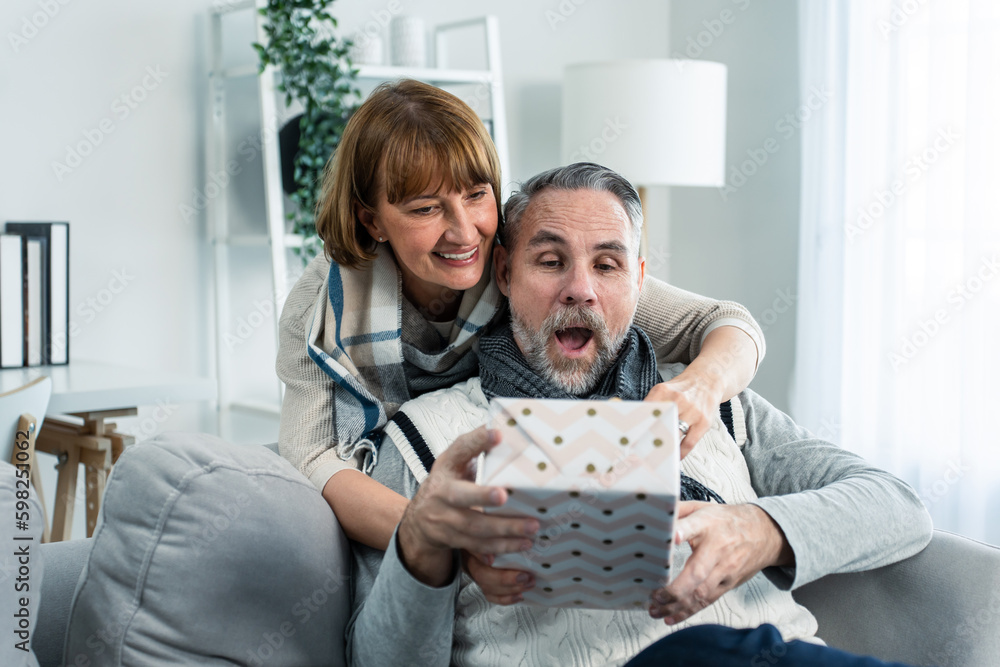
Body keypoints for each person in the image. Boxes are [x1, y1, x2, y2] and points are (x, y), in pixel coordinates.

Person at [344, 163, 933, 666]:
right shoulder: (428, 438)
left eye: (607, 265)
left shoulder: (711, 404)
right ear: (504, 274)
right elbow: (372, 658)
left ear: (640, 280)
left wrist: (763, 530)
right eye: (550, 261)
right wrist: (419, 544)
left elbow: (899, 506)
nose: (580, 289)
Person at [276, 80, 767, 556]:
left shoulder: (528, 258)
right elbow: (314, 460)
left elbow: (729, 324)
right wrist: (444, 541)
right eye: (426, 208)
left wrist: (702, 385)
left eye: (475, 195)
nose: (465, 232)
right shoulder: (321, 309)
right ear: (372, 220)